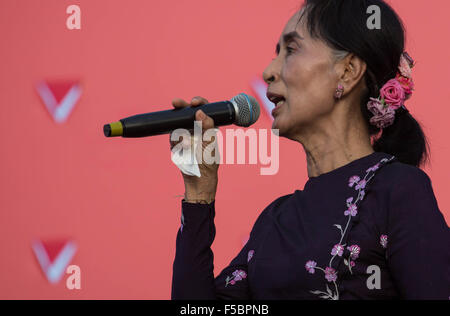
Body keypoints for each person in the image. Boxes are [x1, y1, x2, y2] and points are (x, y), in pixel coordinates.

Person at [170, 0, 450, 300]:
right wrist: (199, 193)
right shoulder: (275, 220)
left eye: (291, 50)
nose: (268, 72)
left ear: (347, 71)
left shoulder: (398, 192)